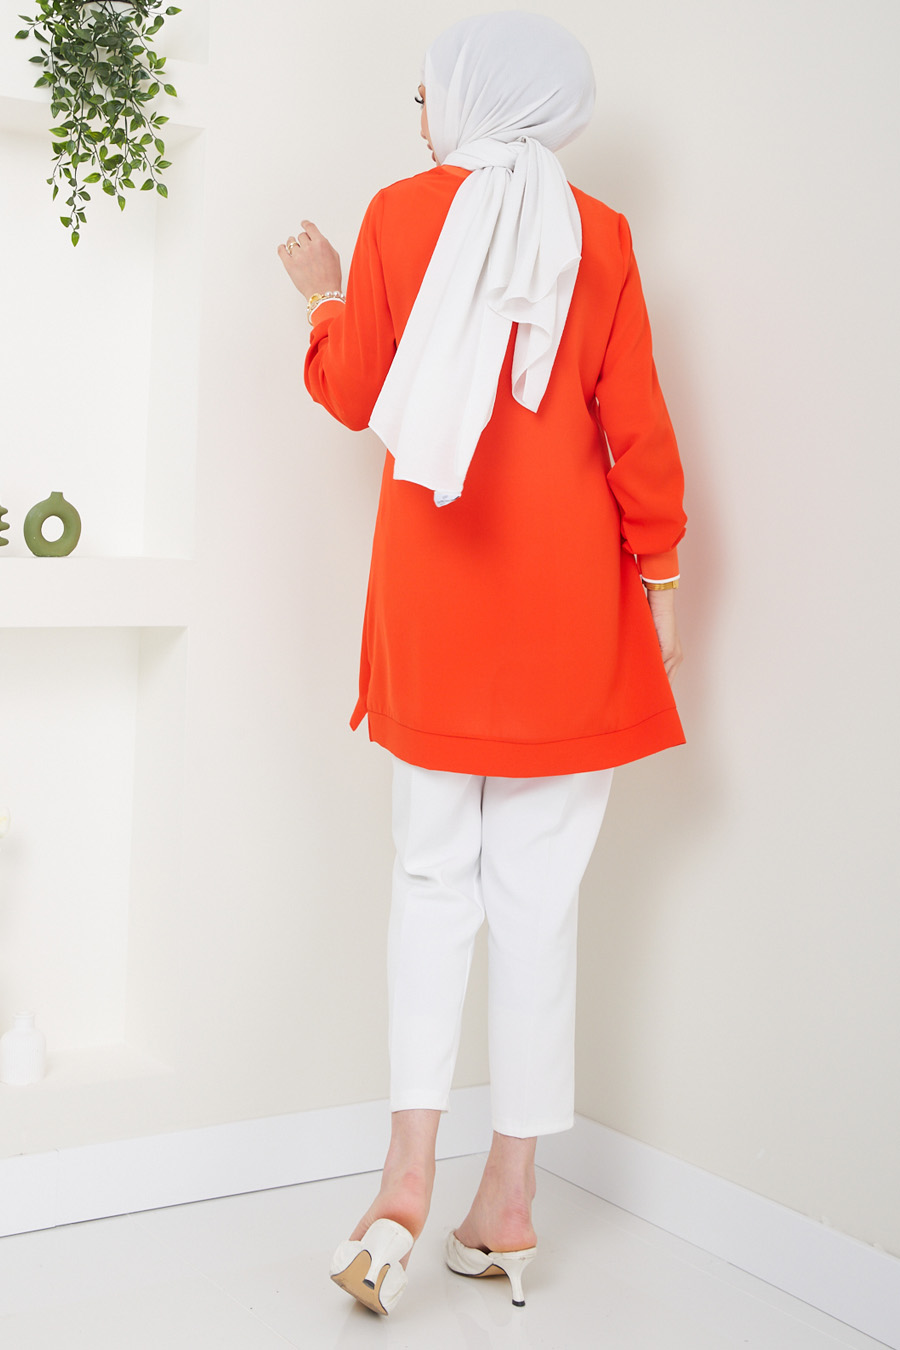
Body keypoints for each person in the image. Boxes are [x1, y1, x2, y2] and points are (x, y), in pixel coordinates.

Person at [278, 10, 686, 1318]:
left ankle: (402, 1189)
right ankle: (509, 1199)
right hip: (568, 619)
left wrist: (322, 294)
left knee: (428, 884)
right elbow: (636, 429)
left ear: (474, 96)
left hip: (437, 613)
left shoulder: (400, 217)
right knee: (538, 906)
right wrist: (660, 576)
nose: (419, 115)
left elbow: (356, 393)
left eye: (426, 93)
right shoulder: (601, 235)